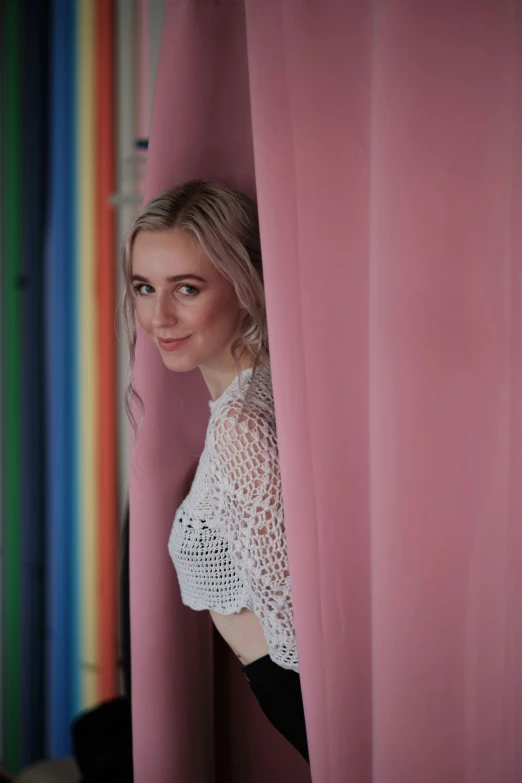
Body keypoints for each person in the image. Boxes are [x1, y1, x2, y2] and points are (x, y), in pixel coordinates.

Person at [121, 179, 309, 763]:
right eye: (145, 287)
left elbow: (298, 637)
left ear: (245, 284)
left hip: (296, 696)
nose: (158, 317)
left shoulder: (240, 430)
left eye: (187, 288)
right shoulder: (262, 396)